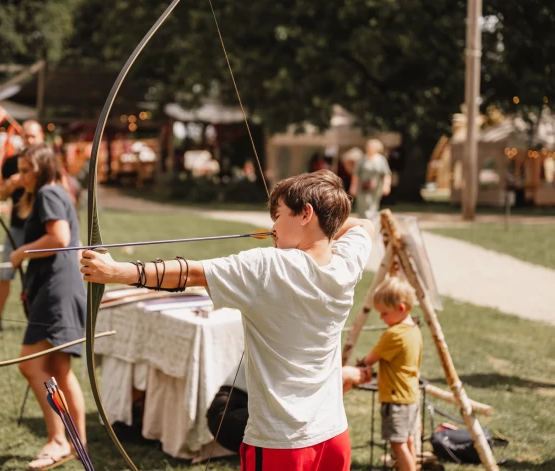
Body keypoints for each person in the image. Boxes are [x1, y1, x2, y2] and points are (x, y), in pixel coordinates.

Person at [80, 169, 375, 471]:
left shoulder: (270, 266)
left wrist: (116, 272)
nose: (273, 225)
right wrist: (325, 227)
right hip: (333, 435)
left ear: (305, 214)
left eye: (279, 215)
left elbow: (191, 273)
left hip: (282, 442)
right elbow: (363, 225)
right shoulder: (345, 263)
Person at [8, 144, 87, 470]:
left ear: (41, 169)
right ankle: (75, 443)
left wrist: (21, 253)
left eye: (26, 170)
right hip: (57, 288)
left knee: (30, 364)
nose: (21, 176)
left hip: (58, 291)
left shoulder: (48, 193)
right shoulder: (55, 192)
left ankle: (59, 440)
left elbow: (60, 238)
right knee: (58, 369)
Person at [206, 361, 372, 453]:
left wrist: (340, 380)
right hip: (227, 413)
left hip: (246, 408)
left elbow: (313, 400)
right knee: (292, 423)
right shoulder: (284, 344)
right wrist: (341, 374)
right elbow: (297, 391)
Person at [0, 120, 45, 331]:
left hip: (41, 229)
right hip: (18, 228)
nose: (29, 140)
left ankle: (36, 317)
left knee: (39, 274)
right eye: (26, 136)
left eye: (33, 136)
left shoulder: (47, 164)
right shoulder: (12, 163)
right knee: (5, 272)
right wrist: (12, 183)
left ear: (41, 137)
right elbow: (0, 195)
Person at [359, 277, 423, 471]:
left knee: (397, 444)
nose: (381, 318)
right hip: (410, 395)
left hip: (395, 399)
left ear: (401, 308)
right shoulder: (414, 329)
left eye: (384, 313)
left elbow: (369, 360)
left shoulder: (394, 334)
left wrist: (360, 365)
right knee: (408, 439)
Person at [349, 139, 392, 219]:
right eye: (368, 146)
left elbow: (386, 174)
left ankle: (371, 224)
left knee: (373, 206)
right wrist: (353, 187)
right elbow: (356, 174)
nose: (369, 148)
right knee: (363, 206)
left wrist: (386, 185)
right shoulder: (362, 159)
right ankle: (364, 223)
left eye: (372, 146)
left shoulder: (381, 159)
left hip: (376, 187)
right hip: (362, 187)